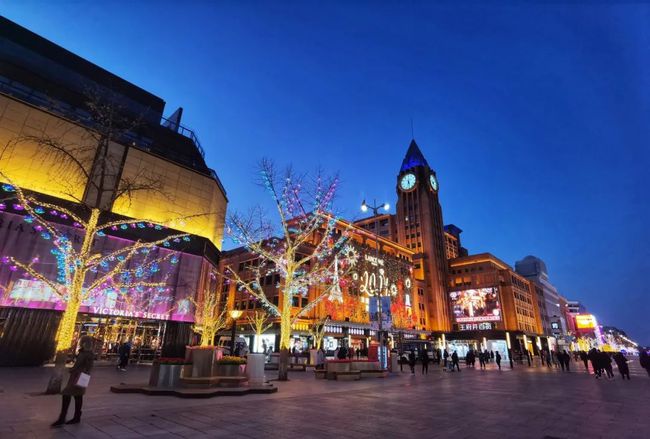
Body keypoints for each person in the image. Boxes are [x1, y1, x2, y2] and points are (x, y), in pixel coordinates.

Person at [52, 336, 94, 427]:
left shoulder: (84, 354)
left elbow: (78, 365)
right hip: (83, 377)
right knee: (78, 396)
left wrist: (71, 370)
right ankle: (76, 416)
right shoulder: (89, 353)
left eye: (81, 342)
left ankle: (63, 417)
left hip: (77, 376)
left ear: (84, 343)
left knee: (66, 394)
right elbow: (89, 367)